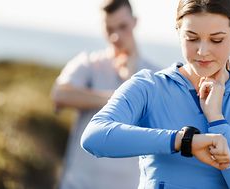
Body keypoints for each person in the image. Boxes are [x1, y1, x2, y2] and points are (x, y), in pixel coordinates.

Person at [81, 0, 230, 188]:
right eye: (192, 38)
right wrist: (184, 141)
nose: (202, 51)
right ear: (178, 32)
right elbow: (94, 136)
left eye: (216, 40)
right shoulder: (149, 87)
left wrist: (217, 120)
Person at [51, 0, 159, 188]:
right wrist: (119, 97)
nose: (116, 36)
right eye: (109, 29)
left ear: (135, 22)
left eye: (122, 26)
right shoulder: (88, 64)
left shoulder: (154, 75)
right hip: (78, 183)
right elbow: (60, 95)